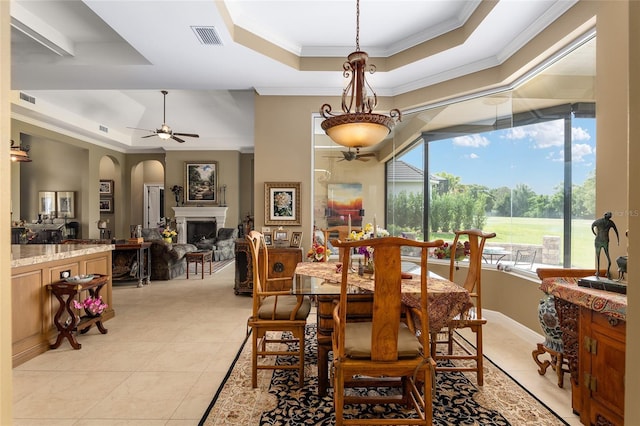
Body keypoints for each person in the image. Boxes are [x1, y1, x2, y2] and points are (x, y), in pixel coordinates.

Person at [591, 211, 619, 279]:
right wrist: (595, 234)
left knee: (608, 259)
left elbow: (592, 227)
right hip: (599, 241)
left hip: (604, 241)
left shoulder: (610, 223)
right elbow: (592, 227)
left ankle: (606, 272)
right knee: (598, 257)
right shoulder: (602, 222)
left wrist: (595, 234)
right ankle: (598, 272)